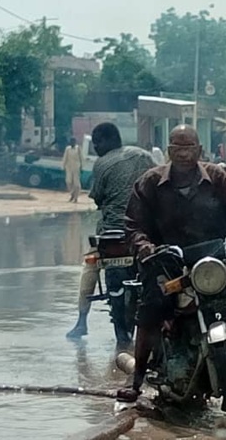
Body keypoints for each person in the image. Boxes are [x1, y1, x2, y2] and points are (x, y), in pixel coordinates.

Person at [117, 125, 226, 403]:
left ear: (199, 150)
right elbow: (133, 226)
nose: (184, 154)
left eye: (189, 148)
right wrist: (146, 247)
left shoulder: (217, 177)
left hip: (212, 266)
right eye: (178, 148)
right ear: (169, 151)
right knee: (150, 314)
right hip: (167, 266)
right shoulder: (150, 183)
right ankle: (136, 379)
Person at [67, 123, 157, 341]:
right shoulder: (145, 156)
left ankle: (81, 321)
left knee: (90, 265)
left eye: (97, 143)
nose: (96, 147)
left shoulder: (102, 164)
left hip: (112, 234)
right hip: (146, 230)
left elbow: (97, 197)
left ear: (108, 141)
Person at [62, 138, 83, 203]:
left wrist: (82, 167)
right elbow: (65, 157)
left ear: (75, 142)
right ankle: (72, 194)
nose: (72, 143)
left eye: (73, 141)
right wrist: (63, 166)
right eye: (71, 141)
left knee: (76, 184)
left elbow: (81, 158)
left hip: (76, 167)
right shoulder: (67, 149)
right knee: (68, 181)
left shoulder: (78, 149)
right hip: (69, 167)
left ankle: (76, 198)